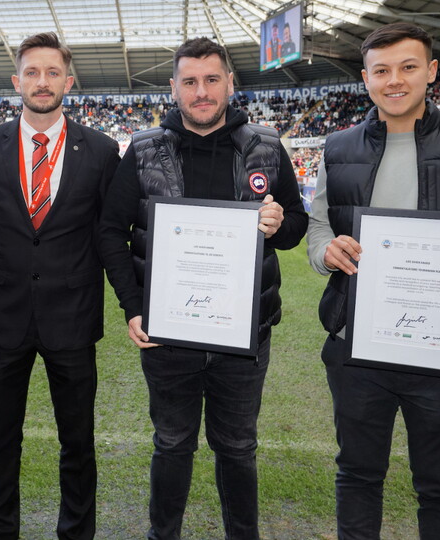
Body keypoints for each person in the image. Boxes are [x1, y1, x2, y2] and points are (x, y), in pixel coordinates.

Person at [306, 23, 440, 539]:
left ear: (431, 71)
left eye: (408, 67)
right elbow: (319, 227)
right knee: (357, 475)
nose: (395, 81)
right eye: (381, 71)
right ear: (366, 79)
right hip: (356, 346)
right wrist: (325, 252)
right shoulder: (338, 148)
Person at [98, 37, 308, 539]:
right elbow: (109, 230)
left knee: (238, 446)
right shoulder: (144, 149)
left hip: (245, 334)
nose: (201, 91)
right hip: (169, 334)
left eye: (212, 79)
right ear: (173, 88)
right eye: (189, 81)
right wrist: (133, 307)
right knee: (172, 443)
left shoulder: (266, 146)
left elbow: (297, 225)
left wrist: (279, 223)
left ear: (230, 83)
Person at [0, 32, 120, 540]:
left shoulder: (101, 150)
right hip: (2, 315)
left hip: (71, 317)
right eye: (32, 72)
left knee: (78, 443)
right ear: (17, 81)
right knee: (0, 441)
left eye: (53, 72)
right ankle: (0, 532)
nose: (43, 81)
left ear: (68, 82)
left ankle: (76, 533)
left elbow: (106, 229)